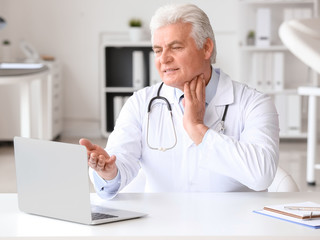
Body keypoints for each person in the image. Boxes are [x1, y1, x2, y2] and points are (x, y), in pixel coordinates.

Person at [80, 3, 279, 199]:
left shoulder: (254, 103)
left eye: (175, 47)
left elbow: (262, 175)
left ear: (206, 48)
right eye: (158, 50)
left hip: (231, 226)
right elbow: (121, 161)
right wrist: (108, 171)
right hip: (163, 224)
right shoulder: (141, 103)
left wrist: (197, 128)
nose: (163, 59)